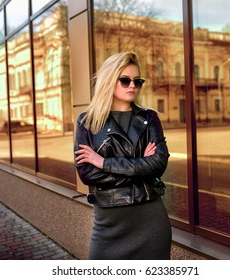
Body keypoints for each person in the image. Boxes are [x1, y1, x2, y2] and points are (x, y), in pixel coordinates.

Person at [74, 51, 172, 260]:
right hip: (108, 224)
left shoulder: (149, 118)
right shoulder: (87, 122)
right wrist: (141, 166)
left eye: (137, 81)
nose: (132, 86)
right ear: (109, 81)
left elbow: (158, 164)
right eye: (125, 80)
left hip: (150, 221)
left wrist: (103, 162)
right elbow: (88, 175)